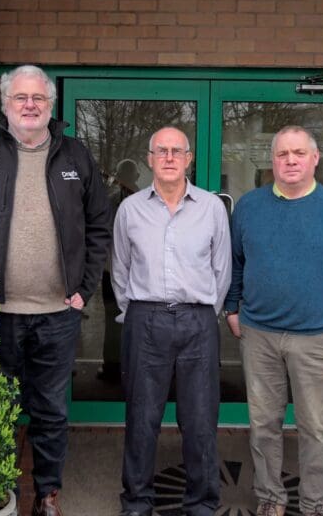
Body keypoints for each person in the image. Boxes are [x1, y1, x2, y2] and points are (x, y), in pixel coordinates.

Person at [0, 64, 112, 516]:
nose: (30, 106)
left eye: (39, 99)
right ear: (6, 105)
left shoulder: (76, 158)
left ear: (50, 106)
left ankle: (47, 495)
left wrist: (83, 288)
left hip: (57, 312)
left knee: (51, 411)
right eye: (21, 98)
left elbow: (99, 225)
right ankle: (0, 493)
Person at [223, 125, 323, 516]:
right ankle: (271, 498)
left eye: (298, 153)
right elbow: (236, 263)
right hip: (259, 335)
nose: (290, 161)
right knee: (263, 426)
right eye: (282, 154)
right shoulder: (249, 208)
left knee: (314, 431)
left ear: (314, 159)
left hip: (316, 340)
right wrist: (233, 308)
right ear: (271, 161)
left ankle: (315, 505)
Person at [112, 127, 232, 516]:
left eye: (176, 151)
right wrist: (136, 313)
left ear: (188, 158)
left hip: (198, 323)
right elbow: (120, 269)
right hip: (145, 320)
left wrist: (204, 314)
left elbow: (222, 270)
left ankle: (201, 502)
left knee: (200, 421)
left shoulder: (212, 207)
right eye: (160, 151)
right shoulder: (130, 209)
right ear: (149, 159)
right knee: (142, 418)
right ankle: (137, 501)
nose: (168, 157)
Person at [98, 158, 141, 382]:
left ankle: (125, 367)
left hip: (135, 272)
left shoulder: (145, 202)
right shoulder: (113, 201)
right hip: (112, 269)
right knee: (113, 318)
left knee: (134, 320)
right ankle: (114, 366)